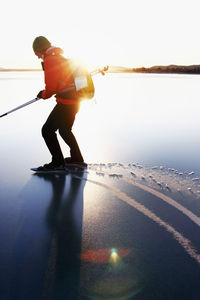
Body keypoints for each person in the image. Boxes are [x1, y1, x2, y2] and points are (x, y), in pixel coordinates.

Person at [32, 36, 86, 170]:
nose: (38, 57)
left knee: (47, 130)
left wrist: (43, 94)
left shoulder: (50, 59)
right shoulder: (60, 56)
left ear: (40, 49)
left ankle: (57, 162)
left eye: (36, 53)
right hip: (75, 102)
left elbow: (51, 89)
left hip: (66, 103)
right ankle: (77, 158)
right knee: (65, 130)